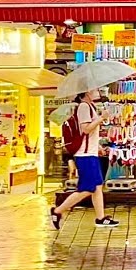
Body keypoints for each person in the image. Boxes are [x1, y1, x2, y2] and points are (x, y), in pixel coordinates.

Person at [51, 89, 118, 228]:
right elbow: (86, 129)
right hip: (85, 155)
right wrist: (101, 118)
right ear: (87, 92)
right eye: (95, 89)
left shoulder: (90, 106)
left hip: (91, 153)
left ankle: (100, 218)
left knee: (98, 186)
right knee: (87, 188)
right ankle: (58, 211)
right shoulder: (83, 107)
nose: (98, 91)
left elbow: (90, 134)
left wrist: (97, 146)